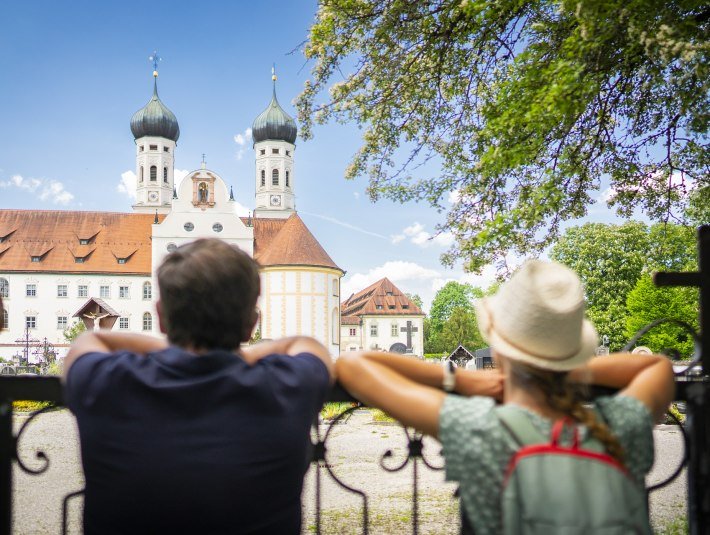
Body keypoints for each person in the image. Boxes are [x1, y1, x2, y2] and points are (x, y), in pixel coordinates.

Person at [336, 259, 675, 534]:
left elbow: (354, 365)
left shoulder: (480, 428)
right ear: (575, 352)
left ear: (500, 352)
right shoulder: (621, 424)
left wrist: (464, 380)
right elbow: (656, 367)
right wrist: (562, 370)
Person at [63, 238, 333, 535]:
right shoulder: (287, 386)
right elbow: (306, 344)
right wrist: (241, 353)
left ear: (161, 317)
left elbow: (91, 340)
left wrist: (171, 347)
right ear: (252, 324)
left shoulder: (106, 380)